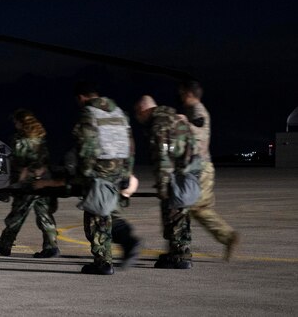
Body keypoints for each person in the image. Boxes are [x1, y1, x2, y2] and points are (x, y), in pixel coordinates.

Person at [73, 81, 140, 275]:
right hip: (118, 171)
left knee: (95, 218)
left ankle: (103, 262)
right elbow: (130, 146)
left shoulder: (89, 113)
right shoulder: (119, 113)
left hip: (99, 172)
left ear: (81, 97)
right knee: (109, 212)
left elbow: (87, 147)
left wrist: (84, 175)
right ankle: (128, 241)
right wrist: (127, 172)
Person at [178, 80, 240, 261]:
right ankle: (181, 246)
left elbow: (199, 134)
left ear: (189, 93)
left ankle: (227, 236)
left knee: (193, 207)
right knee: (191, 207)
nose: (180, 97)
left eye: (182, 93)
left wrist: (184, 123)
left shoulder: (198, 111)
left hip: (200, 168)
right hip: (199, 167)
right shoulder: (193, 110)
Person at [134, 95, 197, 269]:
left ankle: (179, 257)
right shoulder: (176, 118)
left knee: (173, 214)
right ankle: (181, 251)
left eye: (138, 113)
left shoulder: (159, 125)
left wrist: (163, 185)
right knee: (182, 214)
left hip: (173, 176)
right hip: (187, 173)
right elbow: (192, 145)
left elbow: (163, 157)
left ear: (143, 110)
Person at [0, 109, 59, 258]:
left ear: (21, 122)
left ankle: (5, 244)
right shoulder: (40, 138)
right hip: (43, 181)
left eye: (16, 121)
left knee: (17, 215)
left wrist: (14, 183)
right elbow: (45, 160)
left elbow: (19, 163)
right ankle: (51, 246)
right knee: (44, 215)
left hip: (27, 184)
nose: (15, 124)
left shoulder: (20, 140)